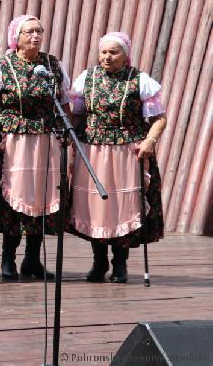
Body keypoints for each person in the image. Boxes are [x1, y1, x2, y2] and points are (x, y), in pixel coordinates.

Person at [0, 14, 71, 280]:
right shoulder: (2, 66)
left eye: (39, 31)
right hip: (13, 142)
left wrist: (66, 132)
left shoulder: (52, 65)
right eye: (29, 32)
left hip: (46, 140)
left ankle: (32, 259)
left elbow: (63, 102)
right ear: (15, 38)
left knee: (42, 198)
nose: (35, 36)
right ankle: (8, 258)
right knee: (15, 198)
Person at [69, 32, 166, 283]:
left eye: (114, 52)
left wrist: (150, 141)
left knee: (123, 206)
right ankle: (99, 261)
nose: (107, 57)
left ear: (125, 55)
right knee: (97, 208)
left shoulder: (139, 80)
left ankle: (120, 263)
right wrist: (69, 134)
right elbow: (78, 115)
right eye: (104, 52)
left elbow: (159, 119)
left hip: (127, 149)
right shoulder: (86, 79)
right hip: (92, 149)